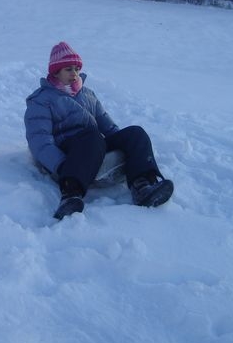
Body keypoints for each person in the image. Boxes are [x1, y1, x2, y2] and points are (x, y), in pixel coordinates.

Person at [24, 42, 174, 220]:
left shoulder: (87, 94)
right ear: (56, 72)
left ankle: (142, 186)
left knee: (135, 133)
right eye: (68, 69)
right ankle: (70, 194)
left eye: (76, 69)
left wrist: (127, 146)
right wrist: (62, 165)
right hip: (69, 150)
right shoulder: (41, 100)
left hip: (94, 144)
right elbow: (39, 140)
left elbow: (108, 127)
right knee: (93, 137)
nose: (74, 74)